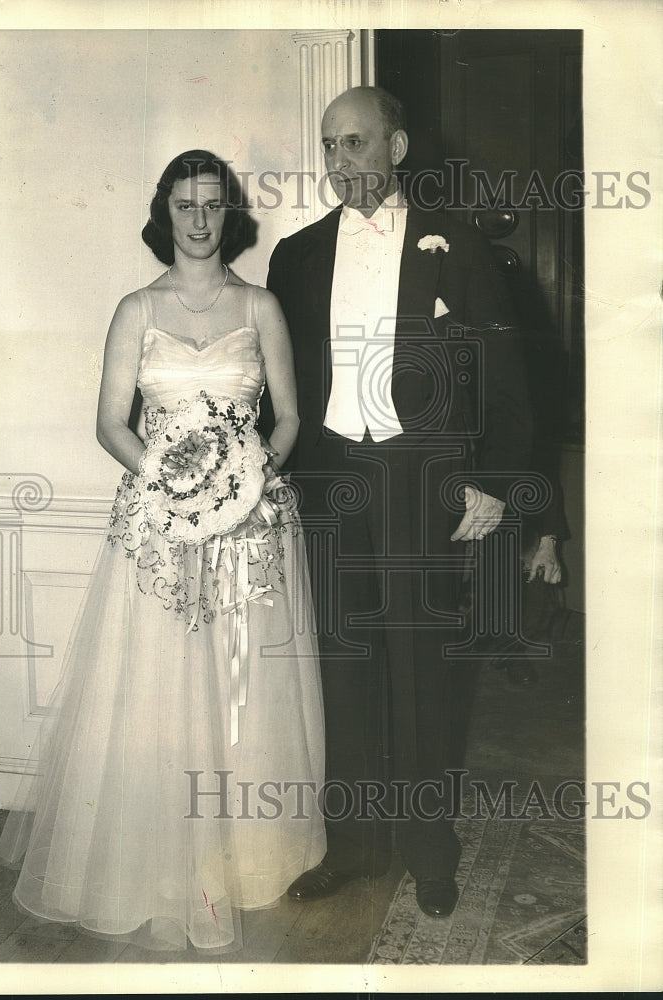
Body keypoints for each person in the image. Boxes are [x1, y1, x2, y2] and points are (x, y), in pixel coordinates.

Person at [0, 150, 326, 953]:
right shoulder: (136, 309)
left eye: (213, 204)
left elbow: (288, 418)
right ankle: (156, 863)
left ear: (230, 213)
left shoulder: (262, 308)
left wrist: (245, 482)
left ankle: (244, 863)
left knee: (243, 692)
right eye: (186, 205)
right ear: (165, 214)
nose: (201, 219)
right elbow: (110, 422)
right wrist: (176, 482)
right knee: (158, 695)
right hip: (158, 531)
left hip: (250, 531)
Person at [266, 87, 533, 917]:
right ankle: (352, 843)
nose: (342, 162)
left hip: (419, 478)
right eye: (330, 146)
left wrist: (494, 478)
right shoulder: (297, 254)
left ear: (399, 145)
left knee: (419, 667)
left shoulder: (455, 244)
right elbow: (277, 384)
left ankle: (428, 849)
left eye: (356, 143)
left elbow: (506, 369)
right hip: (330, 478)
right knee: (345, 665)